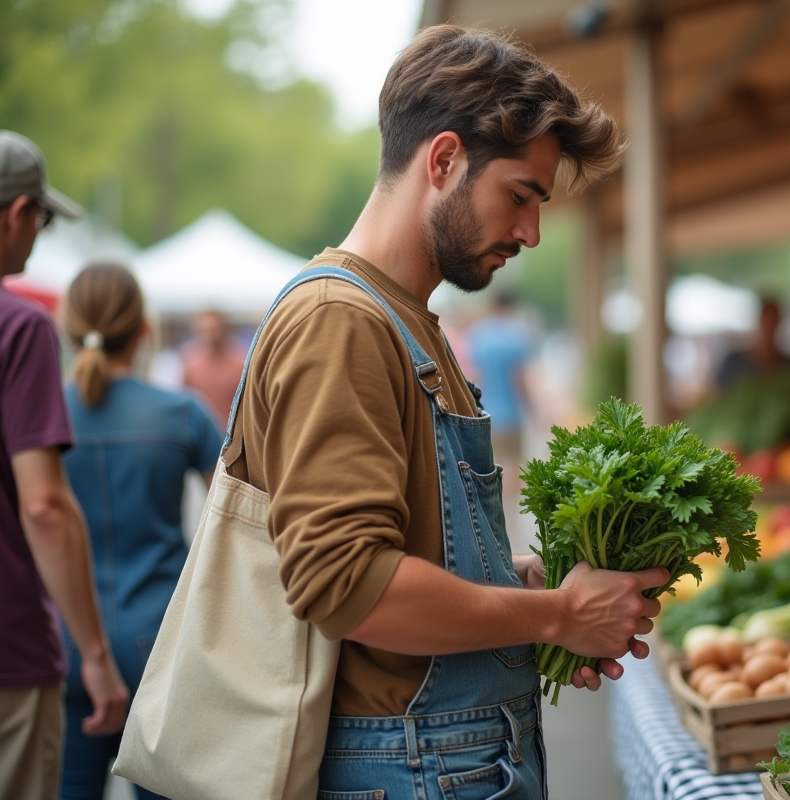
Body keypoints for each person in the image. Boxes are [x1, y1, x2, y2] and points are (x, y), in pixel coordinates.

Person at [221, 26, 662, 799]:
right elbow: (345, 583)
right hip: (413, 767)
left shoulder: (405, 319)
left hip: (449, 761)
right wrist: (557, 615)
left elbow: (404, 549)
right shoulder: (341, 320)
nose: (530, 231)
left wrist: (510, 581)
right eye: (520, 195)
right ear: (445, 159)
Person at [0, 129, 127, 800]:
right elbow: (43, 506)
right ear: (18, 212)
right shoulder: (17, 326)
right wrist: (94, 656)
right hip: (1, 653)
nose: (37, 235)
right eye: (40, 219)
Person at [58, 262, 224, 800]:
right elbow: (236, 525)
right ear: (143, 331)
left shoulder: (41, 417)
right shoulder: (182, 414)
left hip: (64, 641)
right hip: (161, 642)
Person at [463, 290, 532, 532]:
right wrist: (531, 408)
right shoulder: (515, 338)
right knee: (513, 467)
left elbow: (473, 377)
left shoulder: (478, 336)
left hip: (486, 414)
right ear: (509, 308)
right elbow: (519, 380)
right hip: (511, 415)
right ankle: (510, 520)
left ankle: (493, 516)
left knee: (490, 465)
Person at [715, 297, 790, 390]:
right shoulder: (733, 361)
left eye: (773, 320)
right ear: (759, 320)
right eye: (767, 320)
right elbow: (717, 394)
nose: (769, 326)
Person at [179, 309, 246, 423]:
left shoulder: (240, 361)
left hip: (232, 432)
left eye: (214, 329)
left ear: (223, 329)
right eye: (204, 330)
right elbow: (184, 399)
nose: (209, 335)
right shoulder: (189, 361)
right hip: (199, 432)